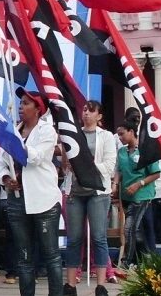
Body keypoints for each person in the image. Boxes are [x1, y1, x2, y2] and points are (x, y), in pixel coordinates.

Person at [0, 88, 62, 296]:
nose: (21, 107)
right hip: (17, 200)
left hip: (43, 200)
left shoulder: (47, 131)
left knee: (51, 255)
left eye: (26, 103)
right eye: (21, 103)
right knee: (23, 257)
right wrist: (6, 179)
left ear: (38, 109)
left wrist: (17, 143)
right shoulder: (13, 130)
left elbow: (35, 158)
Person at [61, 101, 116, 296]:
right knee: (74, 238)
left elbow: (109, 166)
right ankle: (70, 285)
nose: (86, 113)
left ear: (100, 116)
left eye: (91, 110)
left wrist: (88, 166)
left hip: (98, 193)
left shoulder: (107, 136)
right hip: (75, 191)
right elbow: (65, 166)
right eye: (84, 109)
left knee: (98, 237)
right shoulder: (74, 135)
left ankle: (100, 285)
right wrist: (66, 160)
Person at [114, 121, 160, 267]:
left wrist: (139, 184)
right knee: (136, 231)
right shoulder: (122, 151)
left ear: (132, 132)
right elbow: (118, 170)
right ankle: (147, 260)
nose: (120, 137)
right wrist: (114, 185)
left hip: (142, 195)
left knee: (129, 228)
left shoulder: (146, 149)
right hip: (126, 196)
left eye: (122, 134)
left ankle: (126, 262)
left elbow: (155, 173)